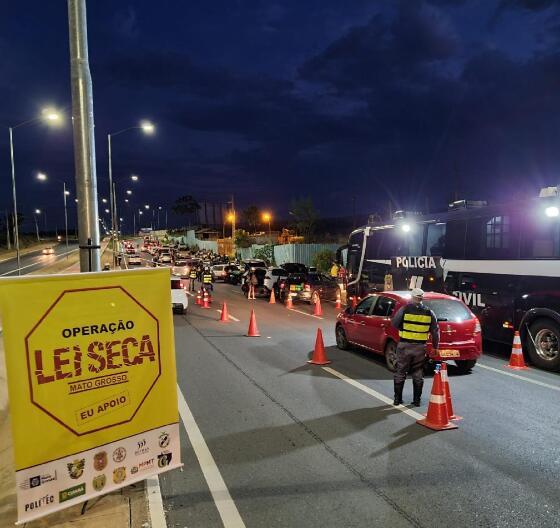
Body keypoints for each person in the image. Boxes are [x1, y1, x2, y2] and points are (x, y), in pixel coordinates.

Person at [391, 288, 439, 407]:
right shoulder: (429, 312)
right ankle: (416, 401)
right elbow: (435, 331)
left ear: (412, 297)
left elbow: (394, 323)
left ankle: (397, 399)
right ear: (422, 298)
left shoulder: (404, 309)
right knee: (418, 372)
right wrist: (435, 347)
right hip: (419, 347)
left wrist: (404, 328)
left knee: (400, 371)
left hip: (404, 346)